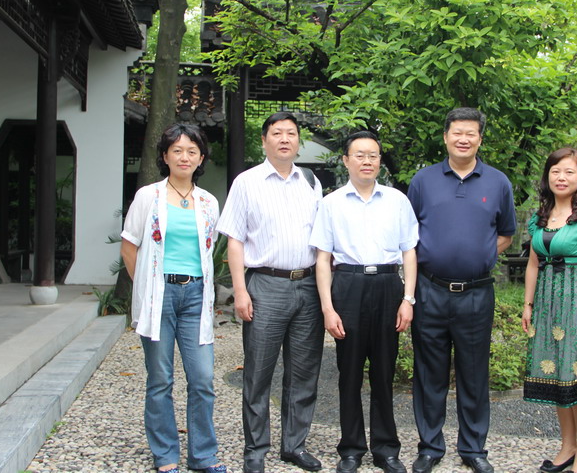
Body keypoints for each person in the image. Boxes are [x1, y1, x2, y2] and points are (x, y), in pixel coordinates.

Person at [407, 107, 517, 473]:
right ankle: (429, 447)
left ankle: (473, 449)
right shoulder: (423, 181)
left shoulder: (498, 182)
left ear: (480, 139)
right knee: (429, 374)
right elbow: (408, 236)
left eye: (471, 133)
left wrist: (480, 254)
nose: (463, 139)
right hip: (430, 291)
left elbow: (506, 234)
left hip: (476, 294)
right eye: (457, 132)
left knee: (474, 374)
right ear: (445, 137)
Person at [216, 112, 324, 473]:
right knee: (258, 372)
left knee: (304, 372)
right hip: (265, 285)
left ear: (298, 141)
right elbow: (234, 240)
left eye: (291, 133)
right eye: (277, 133)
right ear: (264, 141)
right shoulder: (247, 182)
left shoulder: (311, 182)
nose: (285, 139)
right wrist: (240, 291)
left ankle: (294, 445)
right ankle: (255, 449)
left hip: (308, 284)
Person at [310, 131, 419, 473]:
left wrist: (408, 299)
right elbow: (323, 259)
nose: (367, 161)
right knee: (350, 373)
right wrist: (328, 308)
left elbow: (409, 252)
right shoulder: (331, 203)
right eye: (359, 155)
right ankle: (351, 449)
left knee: (384, 372)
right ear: (346, 160)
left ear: (380, 161)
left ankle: (386, 449)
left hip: (388, 286)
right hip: (348, 286)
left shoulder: (397, 201)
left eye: (373, 155)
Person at [120, 123, 226, 473]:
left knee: (202, 378)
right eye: (177, 150)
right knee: (160, 379)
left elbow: (208, 251)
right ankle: (165, 456)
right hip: (159, 295)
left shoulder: (208, 202)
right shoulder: (147, 196)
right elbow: (130, 247)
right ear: (165, 156)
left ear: (201, 158)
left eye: (192, 151)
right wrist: (147, 289)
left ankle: (203, 456)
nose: (184, 157)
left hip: (196, 295)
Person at [521, 148, 577, 473]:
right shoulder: (539, 217)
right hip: (547, 306)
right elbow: (533, 264)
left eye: (569, 172)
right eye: (556, 171)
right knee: (557, 377)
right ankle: (567, 446)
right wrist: (528, 305)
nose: (561, 177)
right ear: (548, 176)